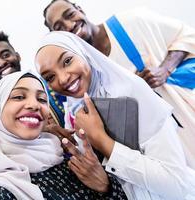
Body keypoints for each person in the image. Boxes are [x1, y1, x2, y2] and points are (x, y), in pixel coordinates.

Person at [35, 31, 195, 199]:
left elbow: (176, 184)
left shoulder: (129, 92)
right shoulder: (74, 110)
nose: (63, 79)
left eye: (67, 61)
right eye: (50, 77)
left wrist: (102, 141)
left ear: (82, 52)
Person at [43, 0, 195, 167]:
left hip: (184, 116)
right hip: (154, 148)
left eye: (70, 15)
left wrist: (165, 69)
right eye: (59, 27)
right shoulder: (81, 69)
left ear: (80, 9)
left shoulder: (131, 22)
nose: (69, 25)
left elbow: (186, 35)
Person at [0, 70, 128, 200]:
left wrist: (106, 186)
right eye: (18, 96)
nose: (34, 105)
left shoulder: (67, 158)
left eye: (42, 99)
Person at [0, 29, 73, 141]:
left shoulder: (49, 83)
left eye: (5, 55)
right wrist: (41, 129)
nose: (1, 63)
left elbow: (75, 106)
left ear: (17, 56)